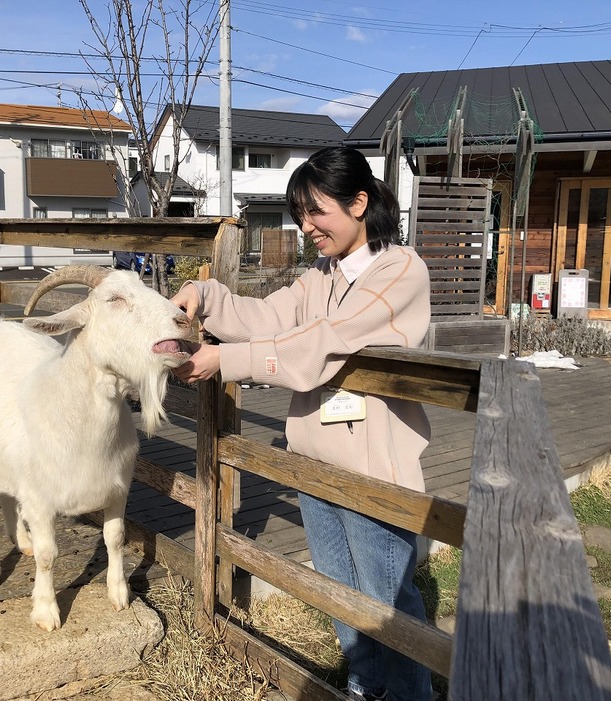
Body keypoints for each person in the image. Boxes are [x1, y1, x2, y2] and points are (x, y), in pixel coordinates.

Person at [171, 146, 433, 701]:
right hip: (315, 462)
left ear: (359, 202)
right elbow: (267, 316)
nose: (307, 227)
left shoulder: (401, 270)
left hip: (372, 470)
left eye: (316, 212)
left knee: (388, 600)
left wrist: (227, 361)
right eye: (301, 216)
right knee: (339, 592)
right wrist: (206, 296)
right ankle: (366, 685)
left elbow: (326, 341)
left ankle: (411, 695)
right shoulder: (323, 275)